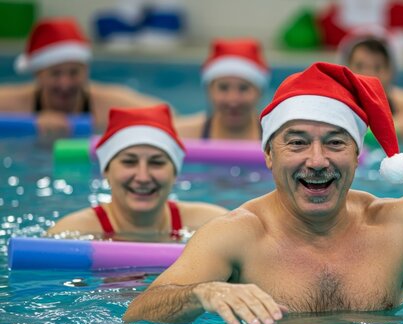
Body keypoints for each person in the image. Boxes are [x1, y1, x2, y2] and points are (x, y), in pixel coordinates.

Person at [123, 62, 403, 324]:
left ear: (358, 156)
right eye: (297, 142)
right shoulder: (237, 236)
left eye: (335, 142)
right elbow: (139, 312)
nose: (317, 160)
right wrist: (204, 293)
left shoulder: (398, 223)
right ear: (269, 156)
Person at [48, 104, 229, 241]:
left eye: (156, 163)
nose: (143, 177)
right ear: (106, 171)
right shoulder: (72, 234)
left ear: (175, 173)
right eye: (129, 162)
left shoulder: (210, 224)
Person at [0, 18, 166, 139]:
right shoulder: (14, 104)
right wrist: (32, 122)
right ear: (38, 74)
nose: (65, 83)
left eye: (74, 73)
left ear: (86, 71)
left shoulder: (108, 104)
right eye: (55, 74)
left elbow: (167, 117)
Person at [338, 27, 403, 140]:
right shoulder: (337, 107)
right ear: (346, 70)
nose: (368, 74)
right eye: (360, 66)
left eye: (377, 67)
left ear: (390, 72)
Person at [174, 38, 269, 140]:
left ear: (260, 92)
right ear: (209, 90)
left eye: (243, 88)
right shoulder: (183, 134)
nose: (233, 100)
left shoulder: (274, 137)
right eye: (223, 88)